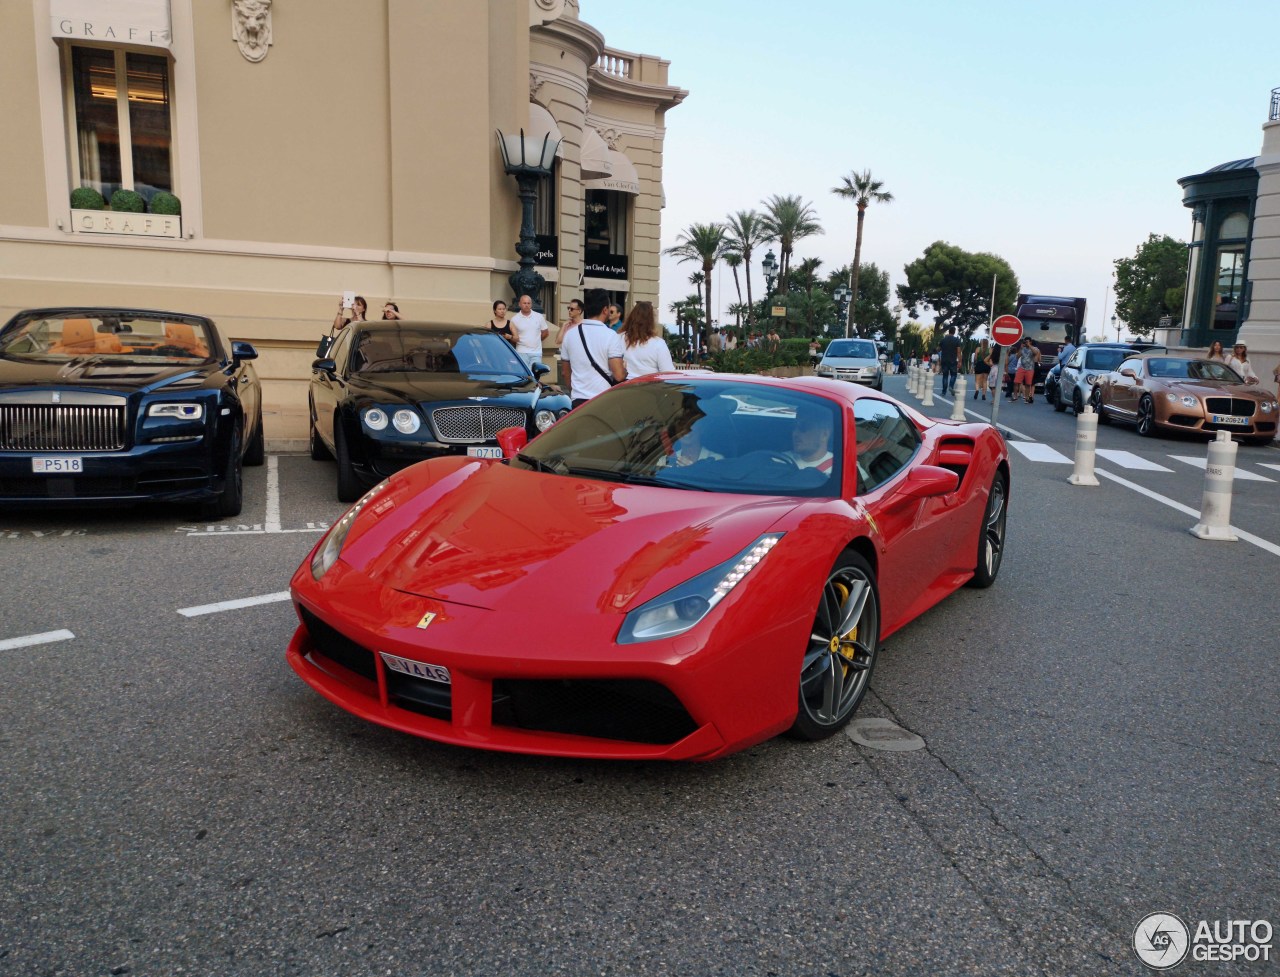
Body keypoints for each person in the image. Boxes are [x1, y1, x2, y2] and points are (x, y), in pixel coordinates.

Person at [562, 288, 625, 407]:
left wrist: (575, 391)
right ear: (605, 310)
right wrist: (625, 369)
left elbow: (565, 372)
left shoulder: (570, 334)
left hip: (578, 400)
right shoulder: (611, 335)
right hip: (602, 399)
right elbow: (618, 375)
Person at [620, 301, 674, 378]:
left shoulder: (619, 338)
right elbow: (668, 373)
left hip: (624, 386)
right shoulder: (658, 343)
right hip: (649, 386)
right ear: (651, 320)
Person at [783, 407, 834, 472]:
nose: (795, 434)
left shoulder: (838, 468)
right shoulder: (781, 460)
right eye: (794, 427)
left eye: (803, 427)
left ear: (824, 434)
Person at [510, 293, 549, 369]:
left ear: (531, 304)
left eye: (528, 303)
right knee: (524, 376)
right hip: (521, 352)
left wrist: (536, 340)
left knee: (535, 375)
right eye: (524, 303)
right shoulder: (514, 319)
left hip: (536, 353)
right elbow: (513, 338)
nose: (526, 305)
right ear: (519, 304)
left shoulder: (539, 316)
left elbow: (545, 332)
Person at [658, 424, 723, 468]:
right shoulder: (664, 461)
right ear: (676, 433)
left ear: (700, 430)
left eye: (691, 426)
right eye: (681, 426)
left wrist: (693, 471)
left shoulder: (717, 460)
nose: (685, 430)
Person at [936, 325, 962, 396]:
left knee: (945, 376)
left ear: (949, 331)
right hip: (953, 360)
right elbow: (959, 352)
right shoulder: (956, 340)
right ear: (954, 332)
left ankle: (943, 392)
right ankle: (951, 386)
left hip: (944, 360)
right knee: (953, 374)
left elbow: (938, 349)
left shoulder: (943, 340)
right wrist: (960, 361)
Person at [1013, 337, 1040, 403]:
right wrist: (1021, 348)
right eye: (1025, 342)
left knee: (1028, 384)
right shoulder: (1023, 348)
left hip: (1030, 368)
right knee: (1016, 382)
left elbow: (1035, 353)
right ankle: (1015, 396)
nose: (1026, 343)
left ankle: (1027, 398)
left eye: (1027, 341)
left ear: (1030, 342)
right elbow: (1017, 356)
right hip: (1022, 367)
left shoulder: (1034, 348)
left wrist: (1029, 346)